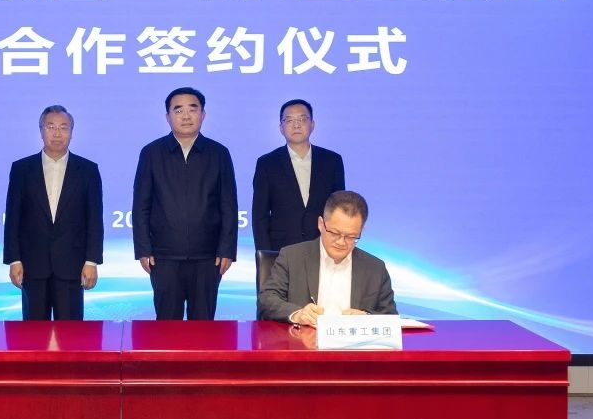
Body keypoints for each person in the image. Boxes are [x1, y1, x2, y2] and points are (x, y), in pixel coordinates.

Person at [133, 87, 238, 320]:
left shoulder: (219, 153)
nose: (186, 116)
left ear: (203, 114)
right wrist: (143, 248)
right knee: (166, 325)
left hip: (208, 256)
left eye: (193, 109)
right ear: (168, 116)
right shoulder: (151, 153)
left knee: (203, 325)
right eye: (178, 110)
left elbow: (228, 205)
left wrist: (227, 249)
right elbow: (141, 205)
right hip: (164, 256)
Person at [3, 105, 104, 320]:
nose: (57, 133)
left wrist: (92, 261)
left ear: (71, 132)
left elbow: (95, 219)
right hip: (32, 266)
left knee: (70, 333)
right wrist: (14, 259)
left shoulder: (87, 170)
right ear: (41, 130)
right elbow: (13, 218)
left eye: (63, 127)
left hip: (72, 266)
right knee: (33, 332)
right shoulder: (22, 169)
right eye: (50, 127)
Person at [258, 190, 397, 325]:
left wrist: (367, 317)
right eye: (334, 233)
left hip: (352, 340)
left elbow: (390, 316)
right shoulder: (292, 257)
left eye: (351, 236)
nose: (341, 242)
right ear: (321, 224)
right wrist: (298, 314)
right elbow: (267, 299)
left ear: (361, 231)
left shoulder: (375, 268)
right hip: (303, 339)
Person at [251, 98, 346, 253]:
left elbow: (338, 208)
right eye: (289, 120)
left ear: (312, 124)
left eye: (302, 119)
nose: (296, 125)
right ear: (281, 128)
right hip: (282, 250)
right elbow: (259, 215)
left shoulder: (332, 161)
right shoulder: (267, 163)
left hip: (323, 247)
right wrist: (265, 255)